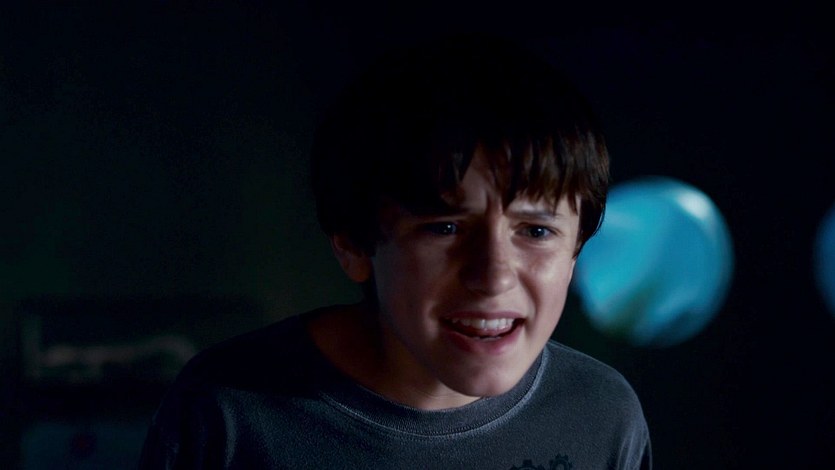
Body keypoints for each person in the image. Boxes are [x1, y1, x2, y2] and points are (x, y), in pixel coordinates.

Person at [139, 33, 652, 469]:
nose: (494, 276)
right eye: (445, 228)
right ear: (352, 244)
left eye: (536, 231)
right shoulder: (226, 412)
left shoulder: (602, 416)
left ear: (577, 249)